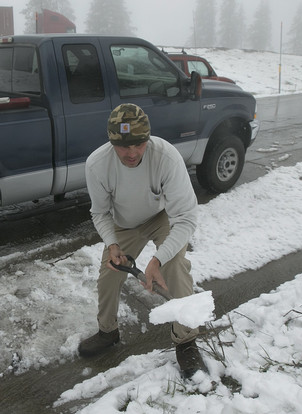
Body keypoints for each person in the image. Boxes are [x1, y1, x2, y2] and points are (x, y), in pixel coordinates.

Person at [79, 103, 206, 378]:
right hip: (122, 223)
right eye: (124, 146)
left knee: (175, 267)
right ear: (112, 141)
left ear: (148, 139)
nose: (132, 152)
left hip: (161, 217)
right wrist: (113, 245)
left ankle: (186, 341)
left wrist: (158, 259)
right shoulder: (97, 164)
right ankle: (107, 332)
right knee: (108, 276)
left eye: (139, 143)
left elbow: (186, 218)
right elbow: (99, 212)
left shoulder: (166, 157)